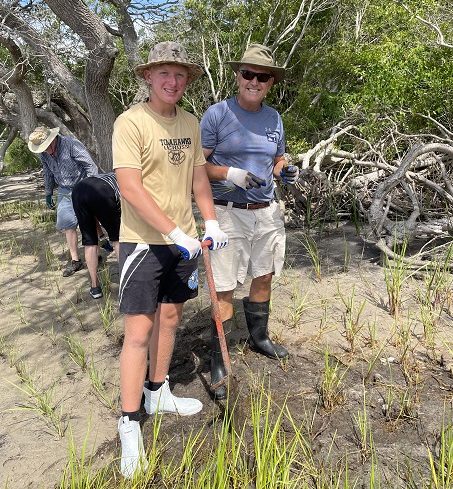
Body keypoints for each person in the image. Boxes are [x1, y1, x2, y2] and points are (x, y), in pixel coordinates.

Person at [112, 41, 228, 479]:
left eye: (179, 74)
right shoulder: (131, 123)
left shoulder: (191, 122)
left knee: (173, 317)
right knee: (138, 333)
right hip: (143, 242)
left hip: (185, 244)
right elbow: (130, 188)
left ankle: (157, 391)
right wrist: (173, 231)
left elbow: (198, 179)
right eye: (164, 73)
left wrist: (210, 222)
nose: (172, 81)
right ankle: (129, 422)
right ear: (147, 76)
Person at [200, 44, 300, 400]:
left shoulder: (274, 118)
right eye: (248, 74)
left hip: (267, 211)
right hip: (227, 212)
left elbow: (278, 157)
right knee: (224, 284)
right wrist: (231, 173)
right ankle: (219, 359)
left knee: (264, 274)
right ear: (238, 75)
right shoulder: (217, 114)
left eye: (263, 76)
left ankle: (259, 337)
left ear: (271, 82)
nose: (254, 81)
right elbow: (197, 167)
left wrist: (285, 170)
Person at [28, 126, 99, 276]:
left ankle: (95, 251)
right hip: (64, 189)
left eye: (46, 146)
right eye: (42, 148)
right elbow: (47, 173)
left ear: (53, 139)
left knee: (88, 219)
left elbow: (89, 165)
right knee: (67, 222)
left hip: (83, 184)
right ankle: (75, 261)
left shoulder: (71, 144)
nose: (45, 150)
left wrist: (92, 186)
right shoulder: (44, 154)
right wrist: (48, 193)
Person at [72, 172, 121, 299]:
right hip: (103, 191)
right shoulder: (125, 182)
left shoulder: (108, 176)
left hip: (78, 191)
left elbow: (94, 216)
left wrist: (101, 237)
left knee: (89, 242)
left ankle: (95, 287)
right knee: (118, 238)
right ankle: (126, 280)